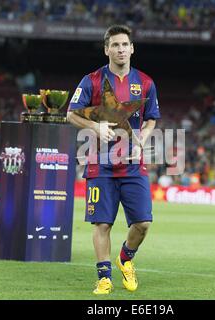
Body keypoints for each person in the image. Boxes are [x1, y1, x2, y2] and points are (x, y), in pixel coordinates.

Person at [67, 25, 160, 295]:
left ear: (132, 48)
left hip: (132, 163)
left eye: (124, 45)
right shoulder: (92, 80)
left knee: (142, 224)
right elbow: (71, 114)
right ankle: (104, 277)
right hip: (99, 162)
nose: (120, 49)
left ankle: (126, 258)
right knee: (102, 223)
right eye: (115, 45)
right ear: (106, 49)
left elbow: (152, 118)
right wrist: (95, 127)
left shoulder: (145, 82)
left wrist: (142, 136)